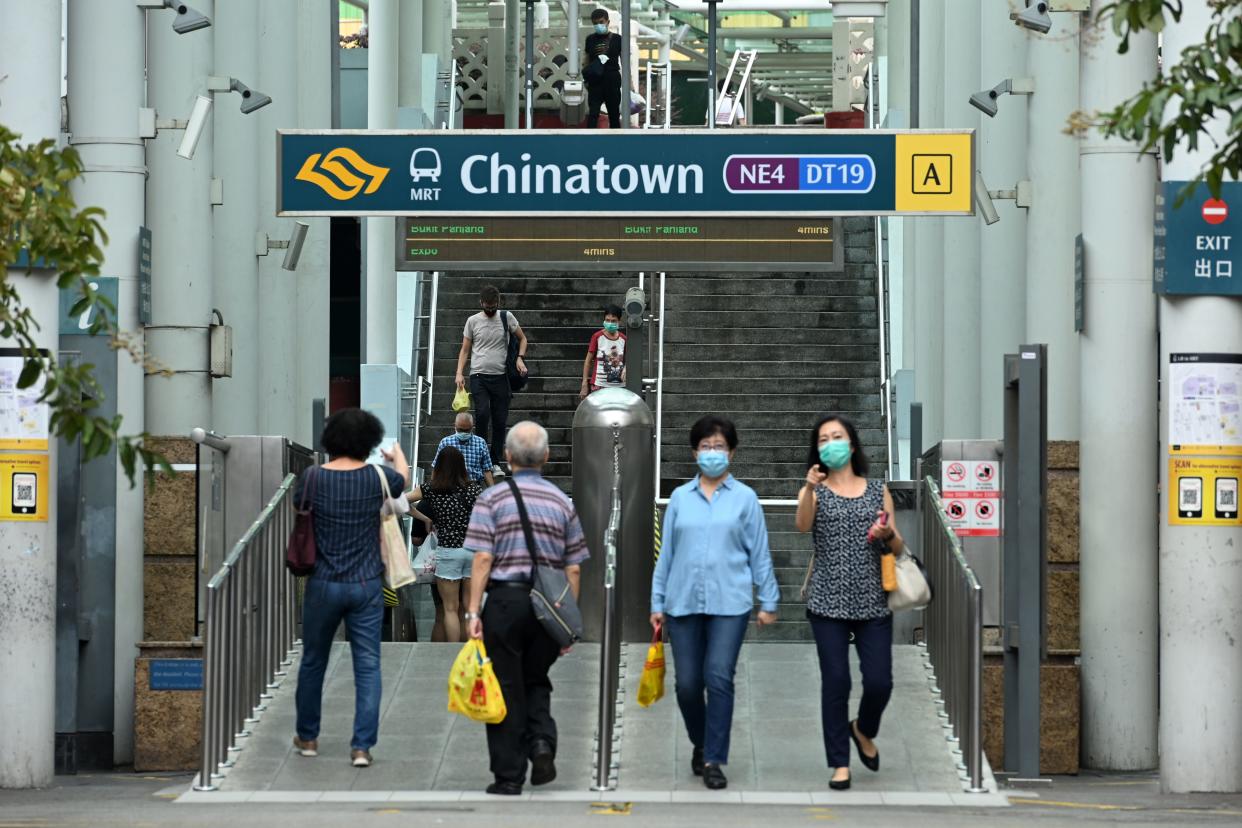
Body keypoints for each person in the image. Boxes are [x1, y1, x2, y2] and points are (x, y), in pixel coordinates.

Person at [649, 415, 780, 791]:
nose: (712, 453)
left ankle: (713, 758)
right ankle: (701, 740)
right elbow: (667, 555)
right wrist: (657, 600)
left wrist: (768, 599)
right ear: (694, 452)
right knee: (688, 685)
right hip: (682, 603)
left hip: (730, 603)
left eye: (719, 447)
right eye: (705, 447)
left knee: (719, 677)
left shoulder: (745, 499)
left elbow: (759, 553)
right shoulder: (678, 499)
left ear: (732, 452)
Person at [464, 421, 590, 796]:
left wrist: (473, 611)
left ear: (507, 456)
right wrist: (566, 617)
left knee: (505, 685)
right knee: (536, 678)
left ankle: (509, 775)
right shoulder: (560, 502)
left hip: (505, 601)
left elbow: (483, 559)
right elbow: (573, 567)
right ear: (547, 457)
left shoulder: (492, 499)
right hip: (547, 603)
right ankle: (541, 743)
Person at [292, 408, 409, 769]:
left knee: (313, 661)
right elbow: (402, 482)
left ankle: (308, 737)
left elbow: (300, 508)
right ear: (369, 442)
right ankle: (361, 747)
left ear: (331, 439)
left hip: (323, 582)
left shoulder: (312, 478)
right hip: (366, 583)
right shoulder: (377, 477)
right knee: (368, 665)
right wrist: (396, 457)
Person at [794, 413, 902, 791]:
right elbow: (803, 525)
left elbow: (899, 545)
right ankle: (839, 763)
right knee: (836, 681)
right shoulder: (815, 490)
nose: (830, 444)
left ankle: (863, 728)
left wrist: (888, 533)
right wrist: (809, 488)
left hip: (872, 600)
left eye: (837, 437)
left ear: (852, 445)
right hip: (827, 602)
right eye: (823, 440)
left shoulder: (877, 490)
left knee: (879, 682)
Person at [407, 446, 483, 643]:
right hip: (473, 551)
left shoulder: (430, 488)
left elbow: (397, 502)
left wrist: (423, 518)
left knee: (449, 608)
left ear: (438, 465)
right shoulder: (474, 489)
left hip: (448, 551)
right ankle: (468, 653)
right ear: (462, 466)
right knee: (467, 608)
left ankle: (450, 653)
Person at [455, 285, 528, 477]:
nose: (490, 310)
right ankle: (481, 459)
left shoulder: (506, 317)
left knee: (499, 420)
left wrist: (520, 357)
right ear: (481, 303)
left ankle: (494, 462)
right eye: (487, 306)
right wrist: (459, 373)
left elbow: (522, 339)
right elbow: (465, 349)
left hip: (501, 377)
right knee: (482, 413)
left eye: (493, 306)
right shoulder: (472, 321)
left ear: (498, 303)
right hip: (478, 375)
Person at [583, 8, 622, 128]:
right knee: (593, 114)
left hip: (612, 78)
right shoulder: (590, 39)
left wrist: (630, 85)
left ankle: (616, 141)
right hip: (595, 80)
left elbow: (625, 60)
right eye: (595, 23)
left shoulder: (617, 39)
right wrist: (586, 78)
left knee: (614, 113)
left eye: (601, 22)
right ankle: (590, 141)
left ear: (608, 22)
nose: (598, 25)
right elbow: (586, 60)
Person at [432, 412, 495, 486]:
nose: (463, 433)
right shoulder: (445, 442)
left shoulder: (480, 442)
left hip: (473, 486)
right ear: (454, 425)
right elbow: (436, 467)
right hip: (450, 486)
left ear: (472, 427)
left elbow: (486, 470)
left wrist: (493, 491)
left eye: (467, 430)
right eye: (460, 429)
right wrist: (432, 487)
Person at [579, 304, 627, 400]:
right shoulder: (597, 337)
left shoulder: (623, 339)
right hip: (599, 385)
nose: (610, 323)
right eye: (607, 320)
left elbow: (629, 358)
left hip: (620, 387)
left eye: (613, 321)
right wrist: (584, 383)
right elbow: (588, 361)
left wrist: (626, 368)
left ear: (619, 321)